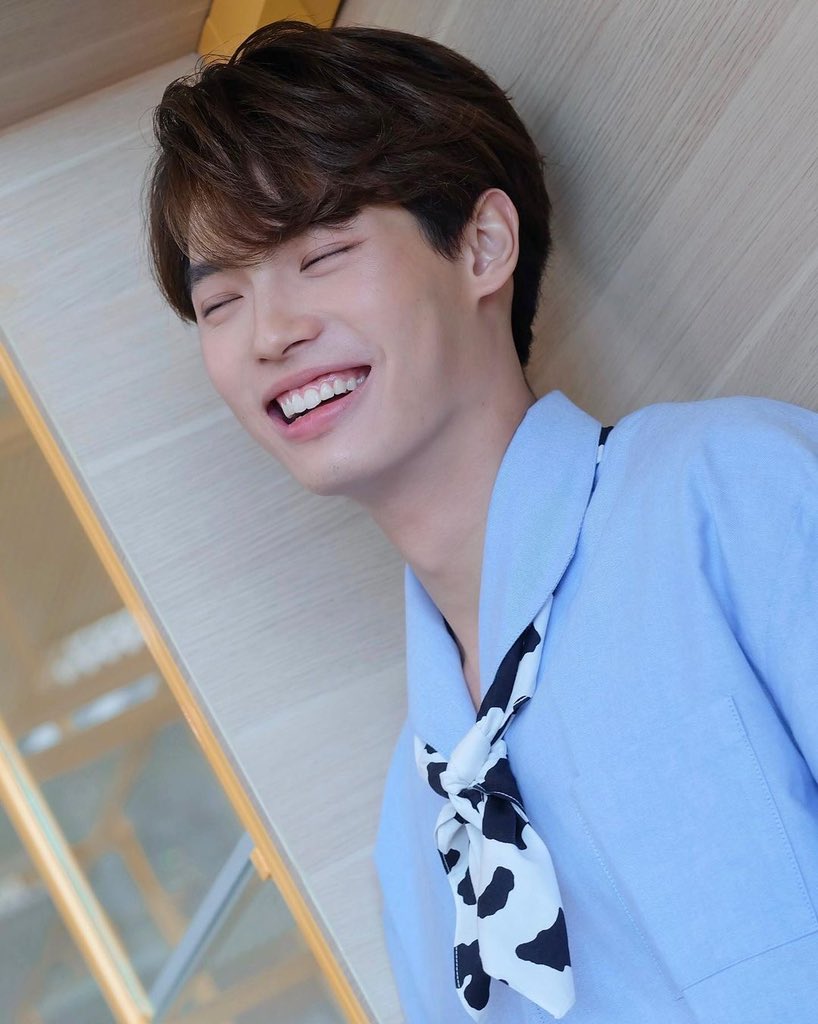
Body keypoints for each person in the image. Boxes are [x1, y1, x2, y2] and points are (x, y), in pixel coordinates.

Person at [144, 19, 818, 1024]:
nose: (270, 335)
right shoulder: (411, 833)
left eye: (322, 253)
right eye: (221, 302)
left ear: (482, 247)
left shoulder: (726, 494)